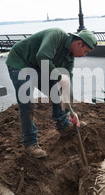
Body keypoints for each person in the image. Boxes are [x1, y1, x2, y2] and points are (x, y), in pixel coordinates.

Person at [6, 28, 97, 158]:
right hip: (20, 63)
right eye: (85, 51)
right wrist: (60, 77)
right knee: (27, 103)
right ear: (79, 43)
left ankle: (64, 124)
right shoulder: (56, 35)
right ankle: (30, 143)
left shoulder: (69, 59)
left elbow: (65, 87)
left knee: (58, 90)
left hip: (37, 67)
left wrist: (71, 112)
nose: (84, 55)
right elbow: (42, 57)